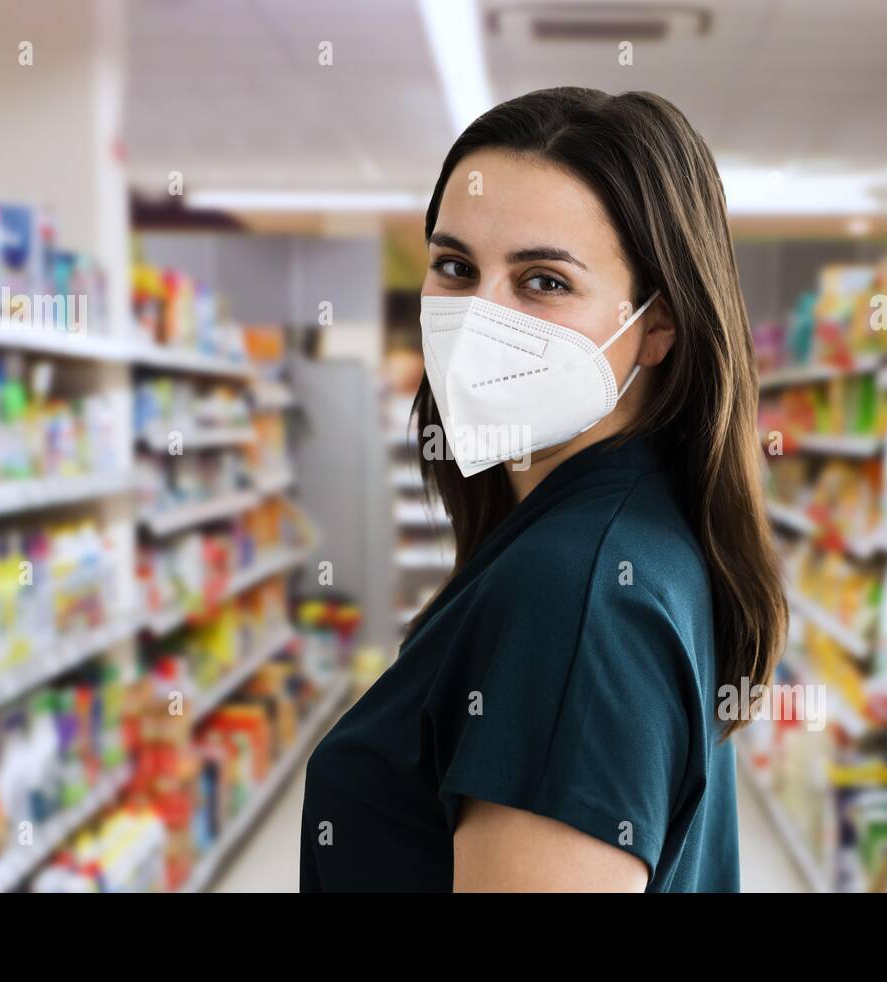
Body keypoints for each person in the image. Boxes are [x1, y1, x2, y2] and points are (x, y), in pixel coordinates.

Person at [300, 86, 786, 892]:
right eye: (455, 267)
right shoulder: (633, 528)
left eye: (544, 282)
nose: (479, 318)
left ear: (658, 324)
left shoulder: (574, 595)